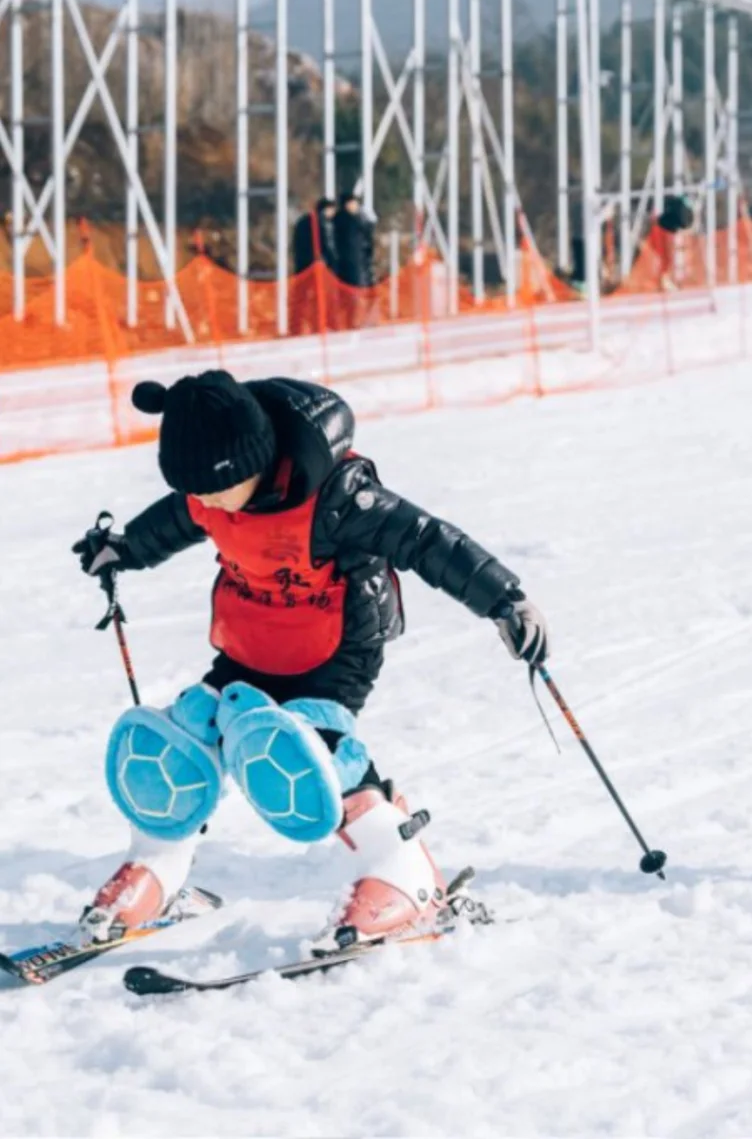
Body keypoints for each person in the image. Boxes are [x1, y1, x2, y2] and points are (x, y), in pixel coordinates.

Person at [71, 370, 549, 952]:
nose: (207, 504)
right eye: (196, 492)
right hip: (251, 637)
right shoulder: (209, 490)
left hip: (335, 645)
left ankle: (405, 874)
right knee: (187, 734)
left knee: (306, 750)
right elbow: (175, 519)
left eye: (216, 490)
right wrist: (123, 549)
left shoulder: (340, 495)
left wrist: (504, 600)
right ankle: (158, 871)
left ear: (253, 461)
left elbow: (426, 540)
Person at [290, 198, 338, 334]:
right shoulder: (322, 223)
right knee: (320, 298)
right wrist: (332, 264)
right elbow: (327, 246)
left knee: (301, 298)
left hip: (302, 266)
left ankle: (296, 327)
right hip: (317, 267)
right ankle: (320, 325)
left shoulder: (301, 222)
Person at [333, 193, 377, 327]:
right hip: (351, 264)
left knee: (360, 293)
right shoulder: (348, 221)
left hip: (358, 262)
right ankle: (351, 320)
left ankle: (355, 319)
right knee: (351, 294)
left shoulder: (357, 220)